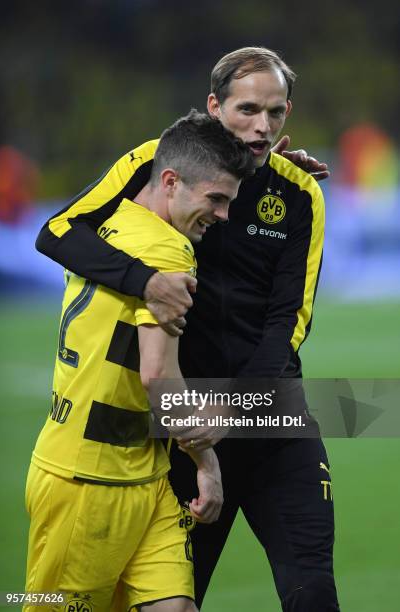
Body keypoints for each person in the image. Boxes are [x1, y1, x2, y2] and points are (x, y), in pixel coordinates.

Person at [35, 47, 340, 611]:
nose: (262, 126)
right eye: (248, 109)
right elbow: (56, 233)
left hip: (270, 415)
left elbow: (287, 322)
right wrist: (144, 280)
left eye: (276, 113)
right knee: (172, 598)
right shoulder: (158, 164)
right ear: (213, 106)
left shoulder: (299, 192)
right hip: (184, 425)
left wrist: (236, 407)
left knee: (312, 585)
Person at [25, 110, 254, 612]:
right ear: (170, 181)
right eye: (215, 199)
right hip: (91, 482)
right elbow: (159, 378)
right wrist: (208, 461)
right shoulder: (168, 252)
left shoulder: (107, 223)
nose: (223, 216)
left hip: (139, 474)